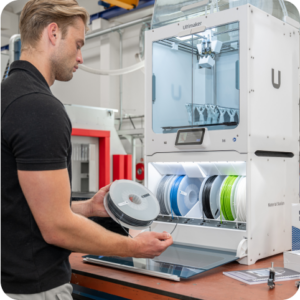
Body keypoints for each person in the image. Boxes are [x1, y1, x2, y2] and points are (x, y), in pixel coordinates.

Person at [0, 1, 173, 299]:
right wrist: (134, 246)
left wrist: (87, 208)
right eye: (78, 44)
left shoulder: (7, 97)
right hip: (34, 288)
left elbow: (18, 203)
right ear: (53, 34)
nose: (80, 57)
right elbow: (56, 228)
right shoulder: (40, 109)